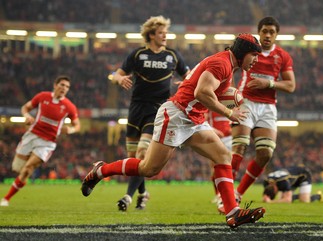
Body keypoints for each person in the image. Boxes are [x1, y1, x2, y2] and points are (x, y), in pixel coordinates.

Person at [81, 33, 266, 228]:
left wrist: (235, 95)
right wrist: (229, 113)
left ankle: (233, 213)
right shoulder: (222, 64)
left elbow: (211, 89)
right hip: (177, 116)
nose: (256, 60)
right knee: (148, 169)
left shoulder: (227, 63)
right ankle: (100, 171)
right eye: (254, 55)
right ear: (243, 52)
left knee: (223, 156)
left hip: (193, 118)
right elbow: (202, 93)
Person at [110, 15, 190, 212]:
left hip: (158, 109)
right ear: (151, 35)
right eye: (161, 33)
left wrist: (186, 82)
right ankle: (142, 193)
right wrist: (119, 80)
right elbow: (116, 74)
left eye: (166, 33)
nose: (165, 36)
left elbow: (189, 75)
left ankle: (127, 197)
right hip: (136, 108)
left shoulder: (173, 55)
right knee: (134, 160)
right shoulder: (137, 55)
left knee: (142, 153)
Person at [230, 17, 296, 202]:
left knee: (265, 153)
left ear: (276, 35)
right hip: (246, 102)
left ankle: (238, 193)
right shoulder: (248, 50)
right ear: (258, 32)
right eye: (264, 31)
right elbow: (229, 67)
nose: (267, 35)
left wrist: (268, 83)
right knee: (239, 146)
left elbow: (291, 85)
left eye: (272, 32)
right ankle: (225, 193)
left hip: (268, 107)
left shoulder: (282, 56)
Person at [0, 76, 80, 207]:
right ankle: (18, 183)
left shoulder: (69, 107)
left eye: (67, 87)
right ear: (55, 85)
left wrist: (70, 130)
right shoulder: (43, 97)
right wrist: (26, 116)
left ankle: (6, 199)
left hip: (47, 143)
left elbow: (77, 125)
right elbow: (25, 108)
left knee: (27, 169)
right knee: (17, 168)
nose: (64, 88)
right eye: (62, 85)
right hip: (31, 136)